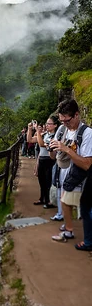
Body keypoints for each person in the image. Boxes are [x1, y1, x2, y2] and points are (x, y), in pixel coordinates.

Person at [49, 99, 92, 244]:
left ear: (76, 115)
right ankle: (70, 231)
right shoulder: (64, 130)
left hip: (82, 175)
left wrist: (66, 149)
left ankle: (81, 238)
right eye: (62, 121)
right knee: (66, 201)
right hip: (68, 172)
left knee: (84, 208)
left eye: (67, 120)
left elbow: (87, 164)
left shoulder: (87, 134)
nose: (64, 124)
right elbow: (53, 155)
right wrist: (53, 150)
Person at [29, 117, 59, 209]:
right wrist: (30, 129)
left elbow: (42, 144)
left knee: (48, 181)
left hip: (50, 160)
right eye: (47, 123)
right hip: (42, 159)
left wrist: (37, 132)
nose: (47, 125)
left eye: (49, 123)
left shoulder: (55, 137)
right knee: (41, 181)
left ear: (55, 125)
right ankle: (42, 198)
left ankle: (49, 201)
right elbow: (30, 140)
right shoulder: (45, 134)